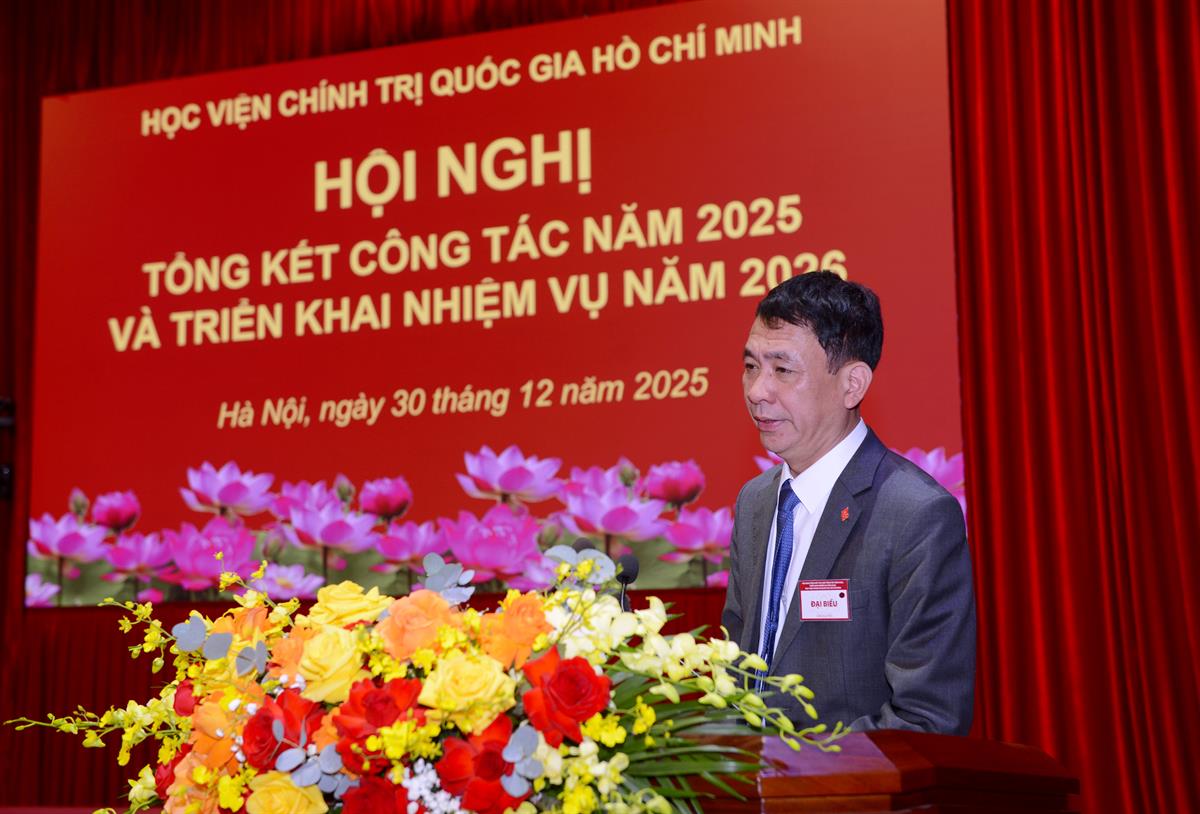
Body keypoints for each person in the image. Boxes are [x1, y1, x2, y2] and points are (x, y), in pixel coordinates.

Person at [722, 271, 975, 734]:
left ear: (853, 384)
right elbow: (738, 672)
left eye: (782, 370)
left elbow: (927, 719)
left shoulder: (916, 514)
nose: (757, 391)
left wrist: (800, 768)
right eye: (752, 366)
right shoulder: (755, 502)